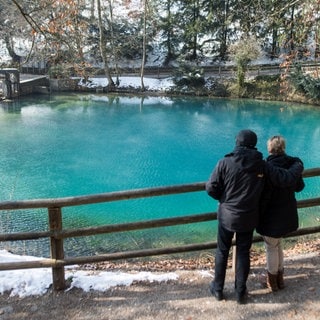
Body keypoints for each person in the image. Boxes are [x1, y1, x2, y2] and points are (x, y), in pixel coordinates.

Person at [205, 129, 304, 304]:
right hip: (249, 216)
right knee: (243, 252)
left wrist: (224, 199)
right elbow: (284, 178)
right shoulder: (262, 165)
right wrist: (297, 163)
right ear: (254, 144)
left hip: (227, 215)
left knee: (222, 251)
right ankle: (240, 292)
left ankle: (218, 289)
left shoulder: (225, 162)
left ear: (237, 143)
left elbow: (211, 187)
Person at [257, 135, 305, 292]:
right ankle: (280, 279)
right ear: (283, 147)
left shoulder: (265, 167)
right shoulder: (292, 165)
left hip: (270, 216)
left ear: (269, 148)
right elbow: (299, 187)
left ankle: (273, 282)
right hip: (287, 214)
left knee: (271, 247)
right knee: (277, 245)